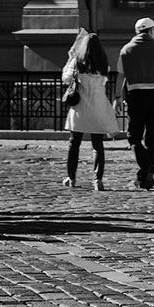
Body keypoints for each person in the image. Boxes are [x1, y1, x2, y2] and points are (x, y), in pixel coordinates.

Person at [114, 18, 154, 190]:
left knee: (133, 136)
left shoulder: (126, 50)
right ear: (151, 31)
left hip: (136, 95)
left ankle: (145, 167)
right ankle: (149, 172)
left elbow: (120, 76)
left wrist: (117, 97)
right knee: (152, 137)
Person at [61, 33, 119, 191]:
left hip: (80, 107)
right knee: (97, 144)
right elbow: (104, 81)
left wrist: (70, 58)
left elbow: (66, 78)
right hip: (97, 106)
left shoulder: (78, 62)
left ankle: (71, 177)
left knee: (74, 143)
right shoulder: (103, 64)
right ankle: (97, 180)